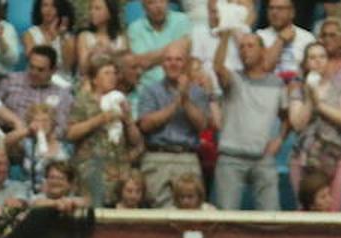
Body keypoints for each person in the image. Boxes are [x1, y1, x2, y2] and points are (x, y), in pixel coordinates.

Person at [211, 29, 286, 212]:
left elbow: (287, 115)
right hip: (231, 158)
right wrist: (225, 36)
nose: (245, 50)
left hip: (263, 158)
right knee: (226, 216)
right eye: (242, 47)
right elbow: (218, 68)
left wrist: (280, 139)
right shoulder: (234, 80)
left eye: (250, 46)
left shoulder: (277, 84)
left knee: (271, 215)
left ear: (263, 51)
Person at [136, 44, 209, 207]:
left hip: (187, 157)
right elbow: (145, 125)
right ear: (162, 64)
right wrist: (176, 104)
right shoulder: (150, 91)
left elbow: (202, 125)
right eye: (168, 60)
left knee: (189, 210)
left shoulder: (198, 92)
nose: (173, 64)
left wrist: (186, 99)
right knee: (158, 211)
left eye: (178, 59)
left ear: (186, 64)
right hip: (157, 157)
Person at [288, 42, 341, 212]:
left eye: (322, 57)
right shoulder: (298, 90)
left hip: (337, 156)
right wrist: (310, 97)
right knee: (304, 210)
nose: (317, 61)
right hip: (303, 157)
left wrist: (320, 105)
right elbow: (297, 124)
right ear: (305, 63)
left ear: (328, 61)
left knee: (334, 209)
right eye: (312, 57)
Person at [69, 55, 143, 206]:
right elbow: (71, 133)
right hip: (91, 171)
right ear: (94, 79)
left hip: (118, 172)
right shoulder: (83, 101)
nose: (112, 77)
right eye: (106, 73)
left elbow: (136, 141)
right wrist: (100, 119)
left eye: (114, 73)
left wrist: (128, 119)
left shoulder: (120, 100)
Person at [0, 45, 75, 136]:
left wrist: (43, 130)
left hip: (39, 138)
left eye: (40, 70)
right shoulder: (12, 80)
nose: (34, 72)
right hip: (5, 133)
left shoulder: (62, 94)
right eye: (31, 67)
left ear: (53, 70)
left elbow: (61, 127)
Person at [11, 103, 71, 194]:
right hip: (30, 193)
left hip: (60, 194)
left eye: (45, 120)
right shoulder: (27, 144)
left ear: (53, 123)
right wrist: (27, 131)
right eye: (36, 121)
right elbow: (4, 143)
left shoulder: (67, 147)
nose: (41, 124)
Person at [129, 0, 193, 86]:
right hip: (147, 87)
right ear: (144, 7)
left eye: (162, 1)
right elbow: (142, 62)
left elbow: (183, 51)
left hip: (178, 85)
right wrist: (174, 49)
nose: (158, 6)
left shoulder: (181, 20)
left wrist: (152, 58)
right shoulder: (135, 28)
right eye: (152, 2)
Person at [257, 0, 314, 82]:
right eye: (271, 8)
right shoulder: (259, 36)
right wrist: (280, 40)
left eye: (280, 8)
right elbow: (263, 68)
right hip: (266, 86)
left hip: (299, 85)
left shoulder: (307, 38)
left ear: (292, 13)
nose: (274, 12)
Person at [23, 0, 77, 78]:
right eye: (45, 5)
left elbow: (67, 67)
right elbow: (35, 63)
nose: (49, 10)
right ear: (39, 9)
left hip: (62, 80)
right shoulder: (29, 34)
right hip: (37, 79)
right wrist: (51, 38)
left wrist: (61, 37)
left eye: (53, 6)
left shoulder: (68, 36)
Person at [76, 0, 128, 77]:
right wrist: (91, 53)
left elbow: (126, 68)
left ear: (110, 13)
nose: (92, 12)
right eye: (90, 8)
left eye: (97, 8)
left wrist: (111, 54)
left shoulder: (121, 39)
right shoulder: (84, 36)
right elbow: (83, 71)